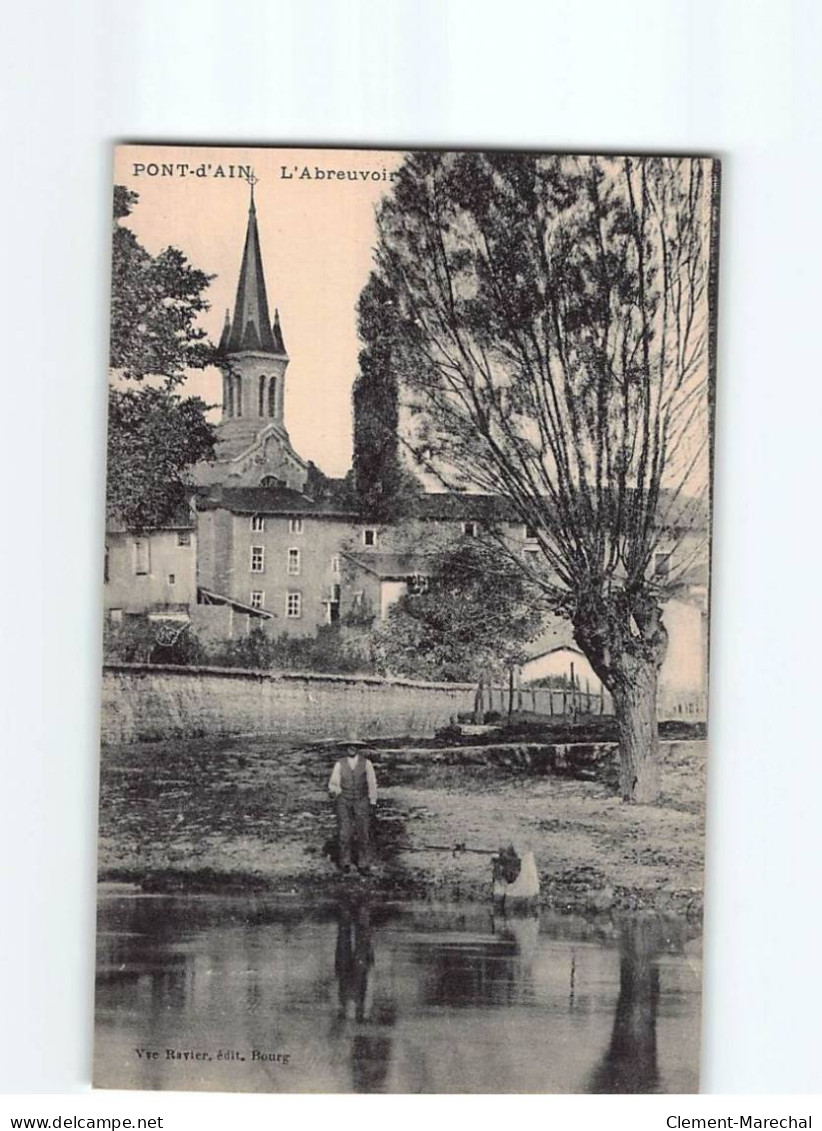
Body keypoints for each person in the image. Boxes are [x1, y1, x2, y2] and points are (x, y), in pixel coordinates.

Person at [328, 740, 378, 874]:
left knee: (363, 832)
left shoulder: (367, 763)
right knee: (344, 832)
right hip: (344, 800)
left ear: (358, 748)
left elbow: (372, 783)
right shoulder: (340, 764)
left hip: (361, 800)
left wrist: (372, 801)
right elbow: (334, 783)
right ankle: (345, 863)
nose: (352, 748)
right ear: (345, 748)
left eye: (354, 746)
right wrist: (334, 792)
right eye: (349, 746)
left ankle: (363, 864)